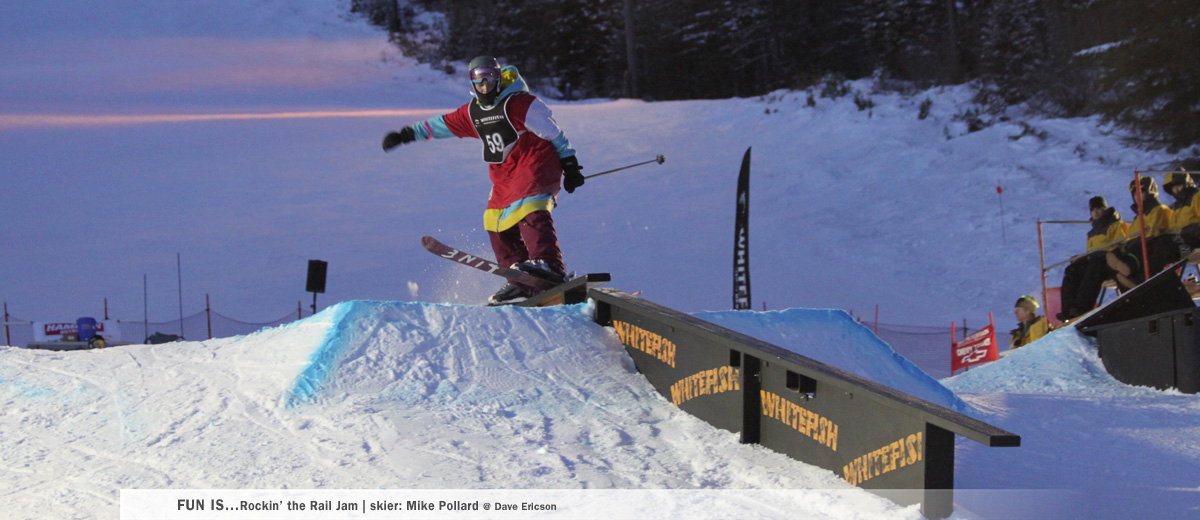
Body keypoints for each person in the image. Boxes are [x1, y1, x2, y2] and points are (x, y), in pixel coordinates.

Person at [381, 56, 586, 304]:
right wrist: (406, 134)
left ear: (498, 77)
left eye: (489, 77)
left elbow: (555, 134)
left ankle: (548, 264)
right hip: (505, 175)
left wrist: (571, 165)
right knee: (494, 221)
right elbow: (441, 125)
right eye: (479, 80)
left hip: (536, 163)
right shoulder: (473, 112)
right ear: (472, 82)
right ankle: (521, 278)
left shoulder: (520, 104)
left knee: (530, 208)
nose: (485, 84)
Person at [1057, 196, 1129, 322]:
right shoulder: (1091, 233)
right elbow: (1090, 253)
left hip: (1110, 262)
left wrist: (1101, 254)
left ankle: (1082, 308)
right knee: (1072, 269)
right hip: (1096, 260)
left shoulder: (1115, 225)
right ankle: (1068, 309)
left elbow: (1123, 245)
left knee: (1094, 267)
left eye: (1099, 208)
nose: (1095, 212)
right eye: (1093, 209)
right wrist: (1081, 259)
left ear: (1105, 209)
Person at [1107, 176, 1174, 290]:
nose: (1137, 196)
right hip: (1140, 247)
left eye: (1141, 192)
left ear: (1150, 192)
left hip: (1154, 246)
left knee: (1137, 248)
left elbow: (1155, 232)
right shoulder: (1138, 218)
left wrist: (1135, 242)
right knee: (1118, 256)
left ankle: (1131, 273)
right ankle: (1126, 284)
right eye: (1134, 194)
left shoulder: (1159, 210)